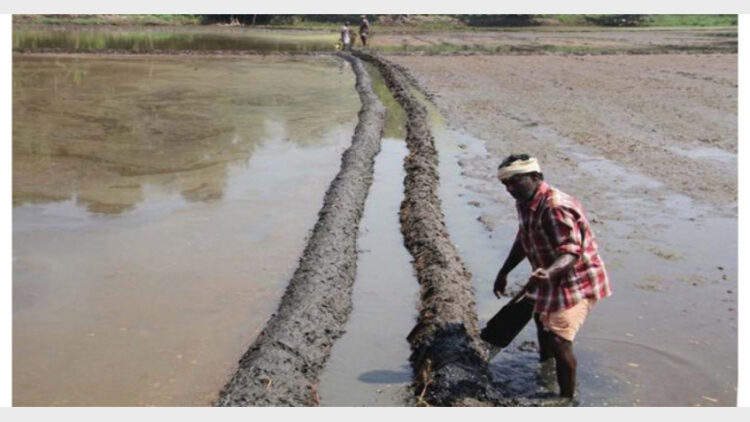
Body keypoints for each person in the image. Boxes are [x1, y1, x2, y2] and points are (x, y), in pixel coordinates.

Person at [492, 154, 612, 399]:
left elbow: (571, 253)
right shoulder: (525, 201)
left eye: (515, 181)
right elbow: (524, 238)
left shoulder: (555, 207)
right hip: (548, 276)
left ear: (536, 177)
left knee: (559, 339)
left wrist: (547, 273)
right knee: (541, 321)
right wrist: (504, 272)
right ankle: (545, 369)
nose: (510, 189)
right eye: (506, 184)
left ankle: (566, 399)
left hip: (574, 280)